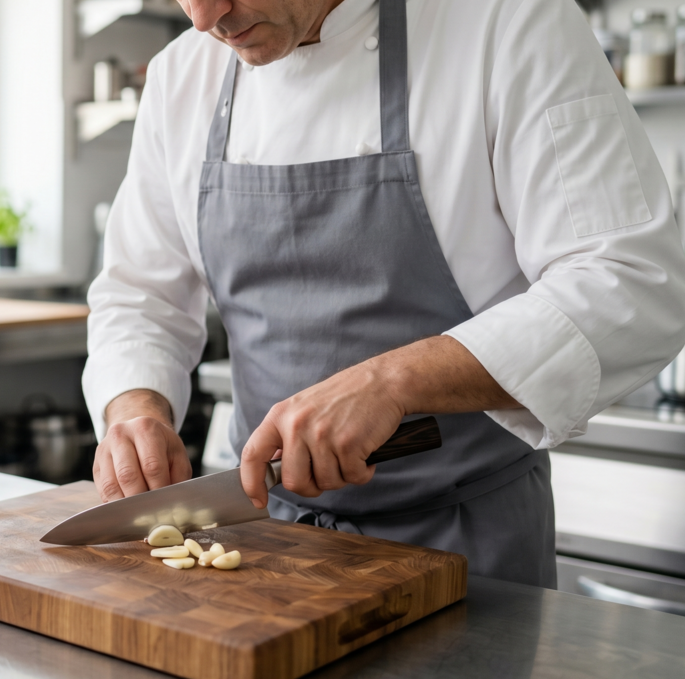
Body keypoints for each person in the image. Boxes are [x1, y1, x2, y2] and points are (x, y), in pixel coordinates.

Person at [83, 0, 685, 587]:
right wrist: (135, 407)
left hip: (467, 550)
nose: (204, 17)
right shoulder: (180, 76)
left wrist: (392, 383)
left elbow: (631, 278)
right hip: (269, 543)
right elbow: (140, 295)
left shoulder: (508, 22)